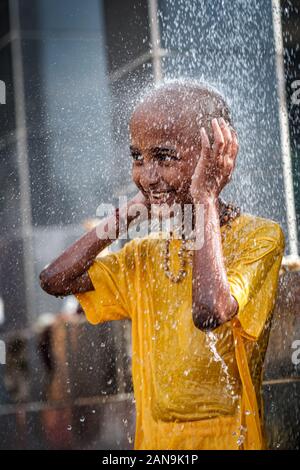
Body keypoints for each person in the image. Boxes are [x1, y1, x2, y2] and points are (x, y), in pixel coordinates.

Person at [40, 80, 285, 450]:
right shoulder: (145, 255)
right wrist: (132, 210)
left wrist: (205, 196)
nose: (148, 174)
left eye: (163, 157)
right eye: (138, 158)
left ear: (214, 154)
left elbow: (209, 310)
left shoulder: (261, 237)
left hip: (230, 440)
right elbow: (54, 279)